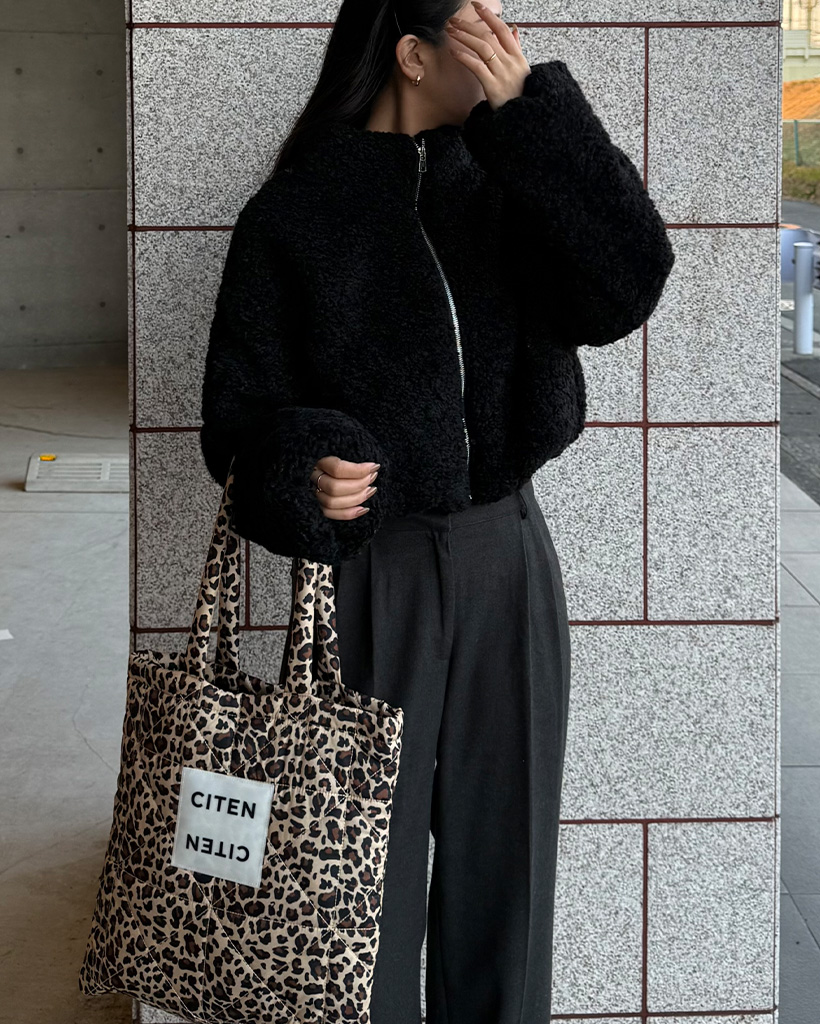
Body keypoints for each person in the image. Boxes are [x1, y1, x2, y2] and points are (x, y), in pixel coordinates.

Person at [199, 1, 675, 1022]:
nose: (509, 44)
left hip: (509, 553)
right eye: (482, 27)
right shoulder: (294, 214)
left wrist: (535, 118)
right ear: (413, 56)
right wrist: (302, 471)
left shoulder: (513, 185)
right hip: (373, 575)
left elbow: (627, 283)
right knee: (358, 875)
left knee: (508, 863)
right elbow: (236, 422)